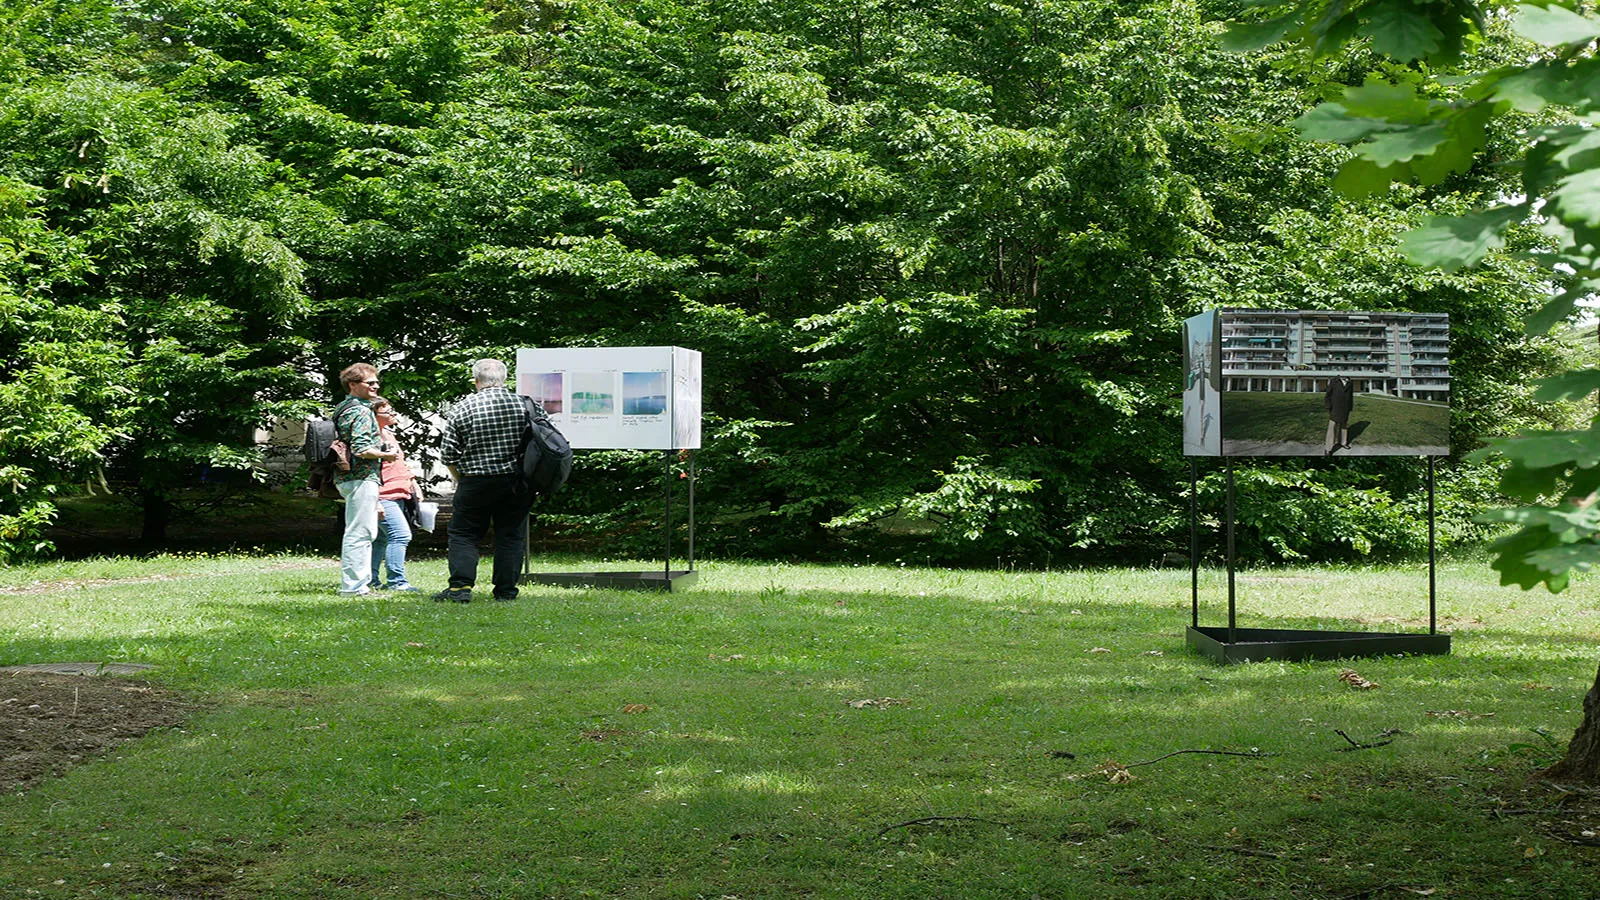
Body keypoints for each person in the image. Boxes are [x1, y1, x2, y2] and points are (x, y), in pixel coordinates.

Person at [436, 358, 536, 603]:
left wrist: (461, 479)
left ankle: (460, 588)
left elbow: (449, 453)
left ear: (476, 381)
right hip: (517, 482)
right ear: (504, 379)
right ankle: (505, 592)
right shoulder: (526, 405)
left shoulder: (463, 407)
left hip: (475, 481)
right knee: (511, 535)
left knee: (464, 534)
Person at [333, 363, 396, 595]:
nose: (376, 386)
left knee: (360, 530)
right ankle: (353, 587)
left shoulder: (343, 407)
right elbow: (361, 449)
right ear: (353, 385)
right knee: (360, 532)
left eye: (376, 382)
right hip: (361, 477)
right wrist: (387, 454)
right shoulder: (360, 411)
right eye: (370, 383)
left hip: (347, 477)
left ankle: (358, 584)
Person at [369, 397, 423, 594]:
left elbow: (399, 463)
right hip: (384, 495)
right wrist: (375, 501)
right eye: (387, 411)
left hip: (398, 493)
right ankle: (397, 581)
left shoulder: (388, 434)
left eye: (392, 410)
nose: (393, 414)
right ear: (374, 415)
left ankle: (371, 580)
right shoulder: (371, 438)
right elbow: (369, 471)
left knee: (381, 539)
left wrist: (413, 483)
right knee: (400, 535)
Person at [1325, 375, 1355, 455]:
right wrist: (1328, 406)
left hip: (1345, 408)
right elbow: (1328, 394)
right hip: (1335, 407)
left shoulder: (1350, 382)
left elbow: (1351, 396)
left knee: (1344, 425)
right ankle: (1328, 448)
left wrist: (1350, 407)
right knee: (1332, 426)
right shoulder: (1334, 380)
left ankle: (1343, 442)